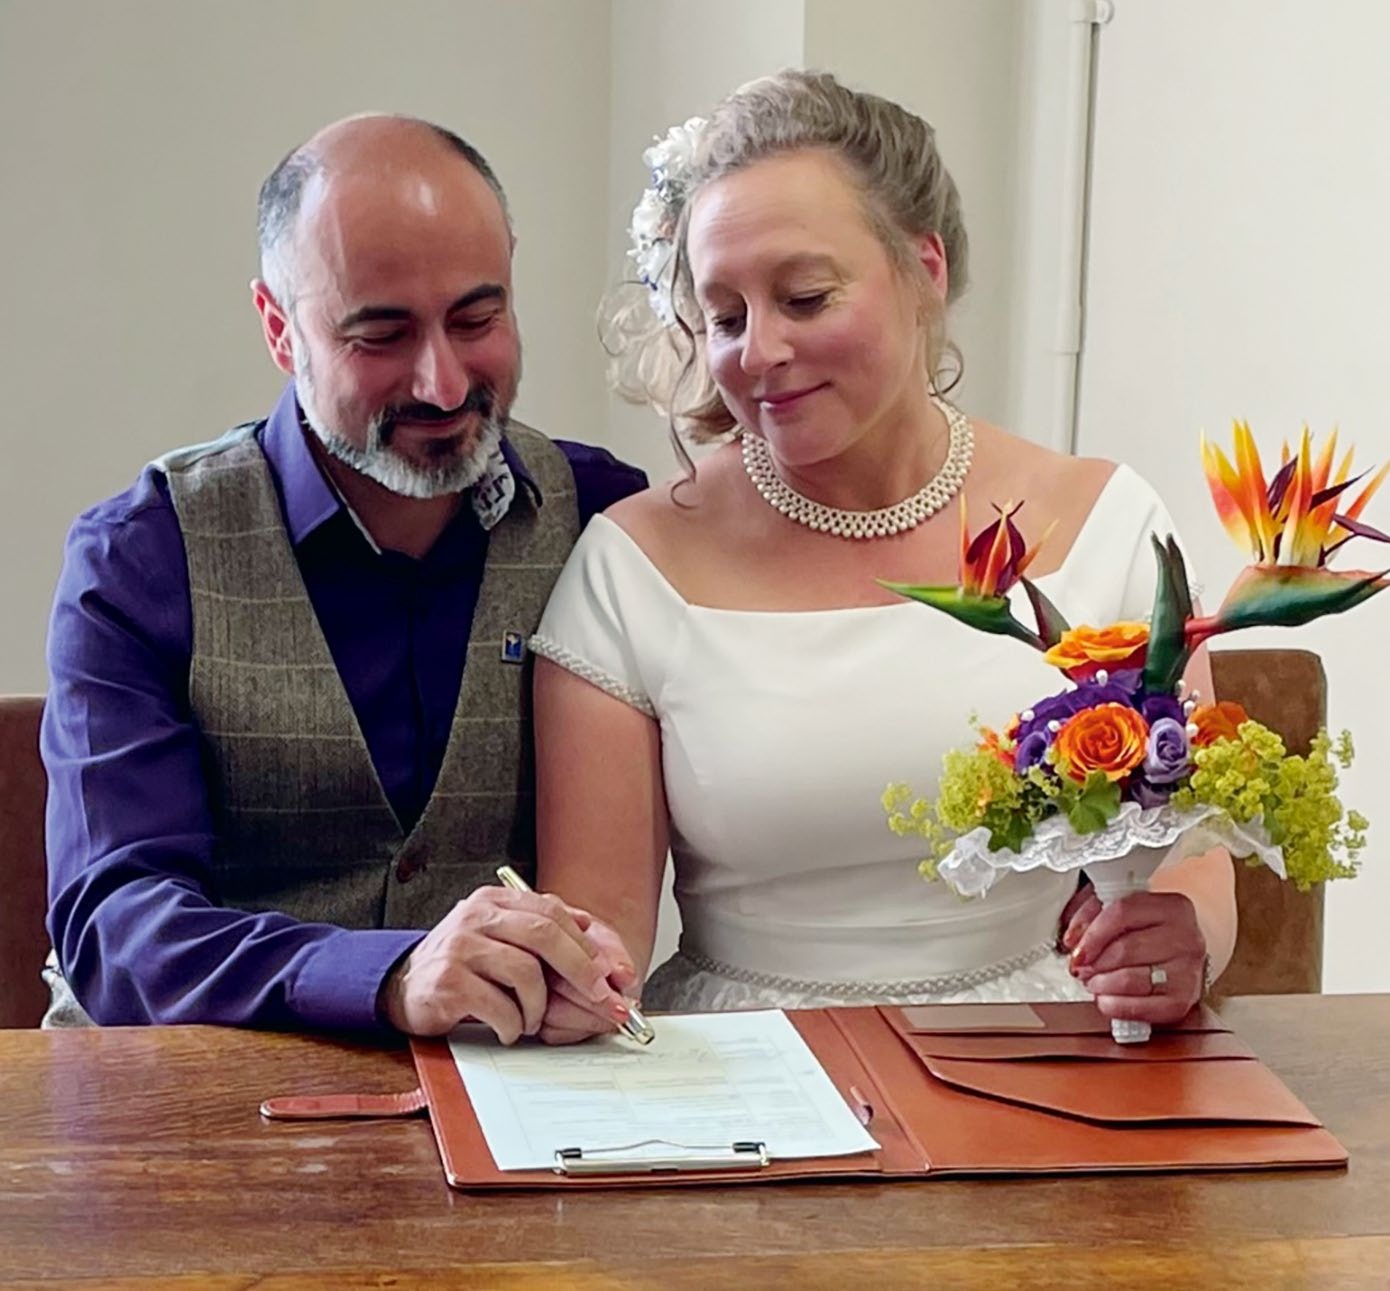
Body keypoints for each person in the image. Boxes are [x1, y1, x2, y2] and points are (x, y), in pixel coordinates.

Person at [528, 70, 1236, 1041]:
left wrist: (1188, 931)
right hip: (754, 1072)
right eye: (726, 317)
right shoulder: (633, 567)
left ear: (925, 269)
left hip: (1044, 1057)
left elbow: (1195, 849)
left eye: (805, 297)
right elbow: (597, 931)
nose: (759, 351)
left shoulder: (1103, 522)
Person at [42, 115, 648, 1044]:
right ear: (280, 329)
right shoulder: (140, 556)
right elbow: (115, 926)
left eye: (477, 319)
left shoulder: (602, 516)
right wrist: (387, 974)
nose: (443, 383)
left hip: (497, 1102)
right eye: (382, 335)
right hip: (183, 1104)